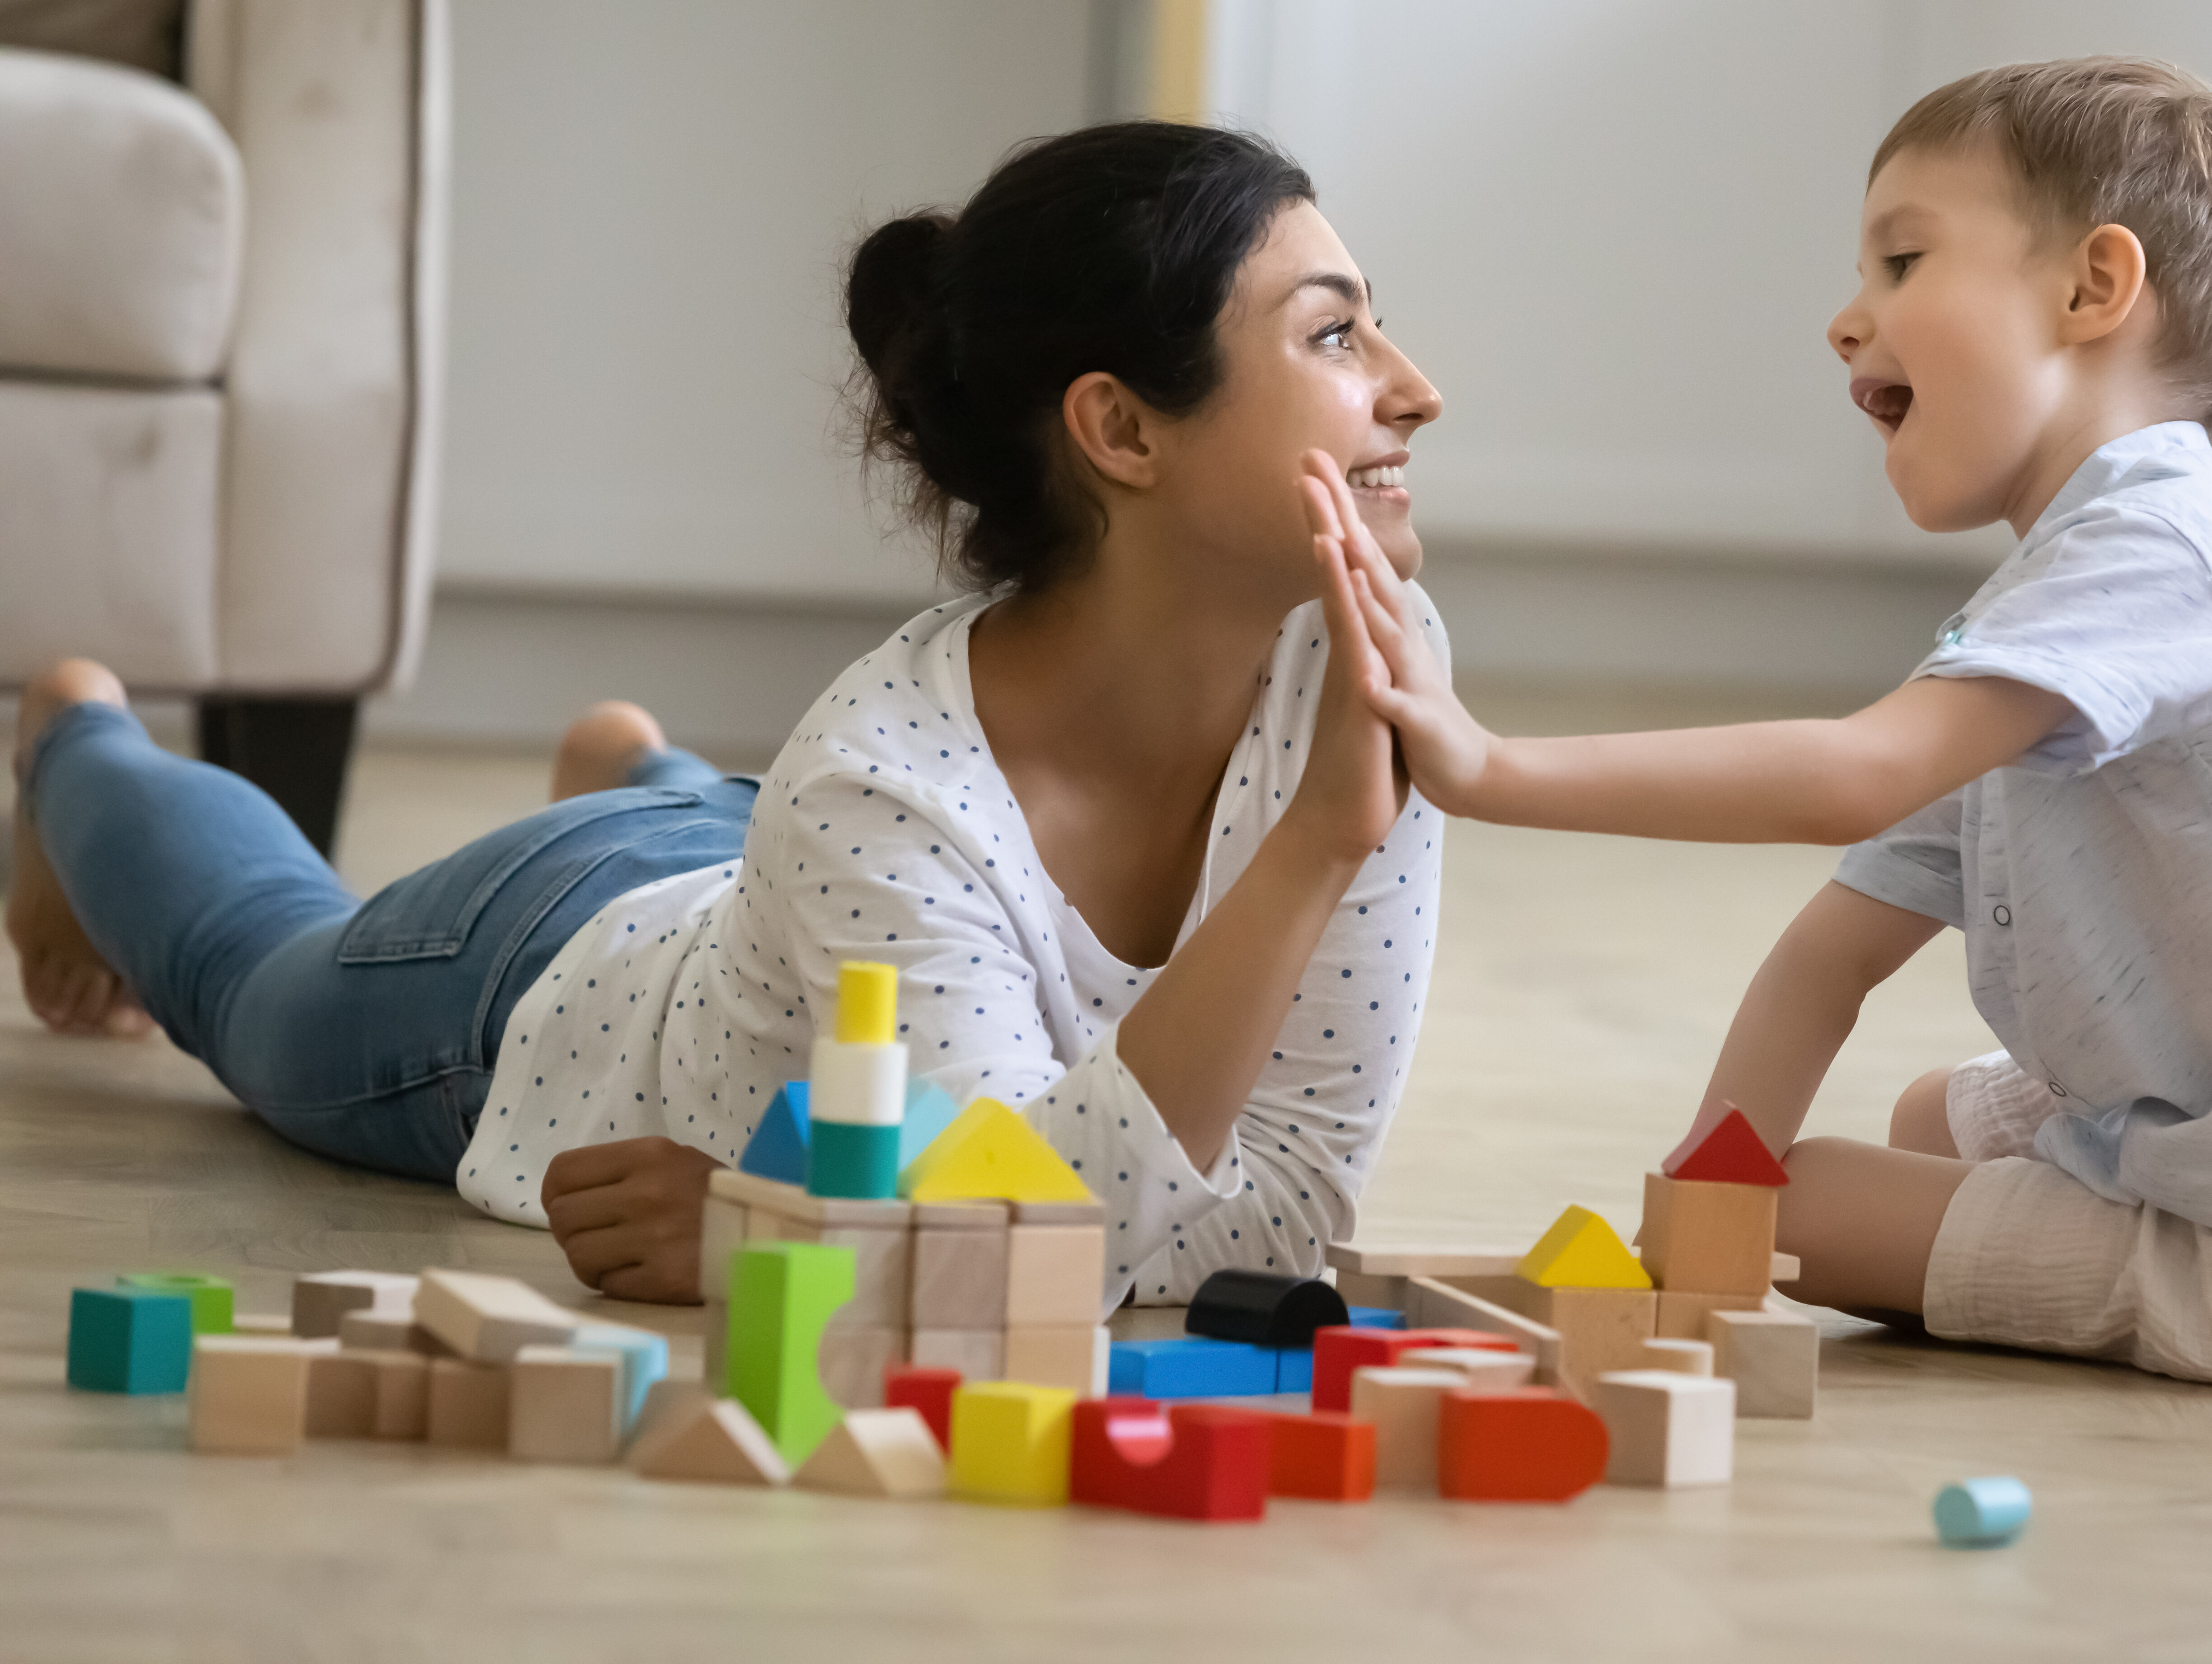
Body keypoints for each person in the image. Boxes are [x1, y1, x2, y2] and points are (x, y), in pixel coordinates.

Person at [1304, 58, 2212, 1390]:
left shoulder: (2163, 538)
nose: (1845, 320)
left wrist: (1492, 766)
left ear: (2091, 290)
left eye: (1900, 262)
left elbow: (1848, 779)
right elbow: (1830, 956)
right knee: (1927, 1120)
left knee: (1814, 1211)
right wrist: (1697, 1209)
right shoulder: (2055, 625)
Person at [9, 120, 1448, 1309]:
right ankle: (77, 742)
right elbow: (1038, 1247)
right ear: (1122, 430)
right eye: (1335, 338)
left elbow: (1285, 1229)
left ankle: (644, 775)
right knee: (254, 977)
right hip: (546, 977)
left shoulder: (1365, 663)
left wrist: (804, 1237)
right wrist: (1318, 848)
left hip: (775, 864)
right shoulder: (881, 783)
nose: (1416, 391)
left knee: (810, 866)